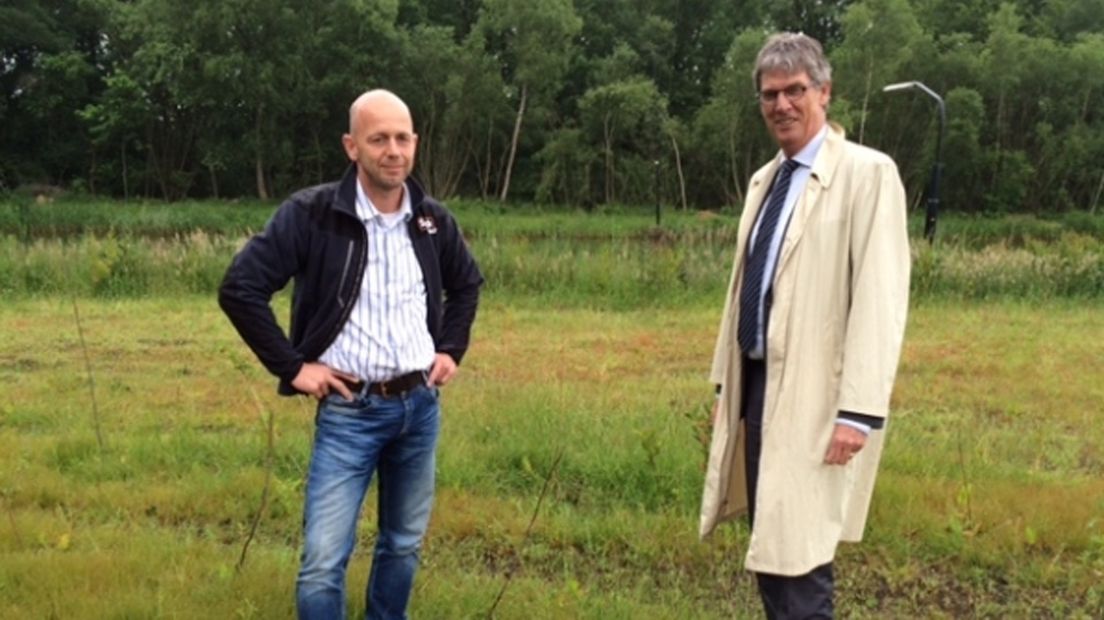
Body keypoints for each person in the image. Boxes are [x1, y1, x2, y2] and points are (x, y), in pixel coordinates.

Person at [219, 89, 483, 620]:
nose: (393, 150)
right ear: (351, 146)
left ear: (415, 143)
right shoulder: (313, 214)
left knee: (403, 543)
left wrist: (451, 348)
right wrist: (293, 368)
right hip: (349, 413)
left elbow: (467, 283)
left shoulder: (431, 220)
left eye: (402, 138)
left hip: (419, 409)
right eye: (378, 138)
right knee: (322, 560)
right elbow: (240, 288)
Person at [699, 33, 910, 619]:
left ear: (824, 92)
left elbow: (881, 297)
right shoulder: (766, 181)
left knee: (800, 551)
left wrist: (858, 411)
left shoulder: (869, 174)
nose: (782, 105)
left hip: (820, 394)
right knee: (770, 537)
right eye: (770, 94)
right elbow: (745, 289)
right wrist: (727, 389)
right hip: (759, 385)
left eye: (796, 91)